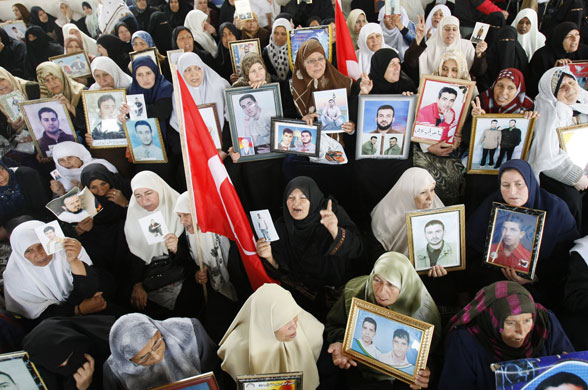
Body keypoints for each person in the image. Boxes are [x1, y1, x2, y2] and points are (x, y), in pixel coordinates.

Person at [467, 160, 578, 306]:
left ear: (530, 183)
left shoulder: (556, 210)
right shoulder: (491, 205)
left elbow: (568, 256)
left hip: (541, 282)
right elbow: (471, 244)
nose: (512, 192)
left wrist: (535, 276)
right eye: (505, 185)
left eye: (519, 184)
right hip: (495, 278)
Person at [326, 252, 439, 388]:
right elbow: (335, 325)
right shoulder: (354, 291)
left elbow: (435, 354)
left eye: (391, 284)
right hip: (357, 370)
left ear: (404, 283)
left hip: (401, 382)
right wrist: (340, 342)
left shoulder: (424, 311)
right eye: (377, 280)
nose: (380, 292)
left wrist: (426, 373)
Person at [255, 177, 363, 320]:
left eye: (303, 197)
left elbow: (358, 249)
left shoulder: (331, 213)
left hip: (338, 297)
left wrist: (334, 230)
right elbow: (282, 274)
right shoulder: (281, 228)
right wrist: (268, 256)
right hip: (302, 299)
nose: (296, 202)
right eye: (291, 197)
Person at [439, 281, 575, 390]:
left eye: (527, 321)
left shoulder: (545, 323)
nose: (521, 331)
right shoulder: (465, 340)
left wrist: (568, 367)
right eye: (510, 323)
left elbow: (571, 368)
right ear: (493, 321)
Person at [124, 171, 201, 317]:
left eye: (148, 193)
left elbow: (196, 257)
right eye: (138, 196)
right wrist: (137, 284)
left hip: (182, 275)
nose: (144, 201)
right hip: (149, 279)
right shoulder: (133, 216)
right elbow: (132, 260)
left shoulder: (182, 210)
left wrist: (178, 248)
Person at [218, 284, 324, 390]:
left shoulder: (310, 330)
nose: (295, 326)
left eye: (293, 315)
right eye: (284, 321)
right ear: (265, 323)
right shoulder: (235, 352)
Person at [3, 220, 109, 321]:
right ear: (19, 253)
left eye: (41, 245)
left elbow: (91, 288)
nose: (39, 255)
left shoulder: (68, 248)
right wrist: (79, 309)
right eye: (28, 251)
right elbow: (34, 319)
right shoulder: (14, 276)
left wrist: (74, 261)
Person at [527, 67, 588, 233]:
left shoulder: (584, 103)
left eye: (571, 82)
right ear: (553, 93)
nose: (569, 89)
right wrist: (577, 176)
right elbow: (546, 159)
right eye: (562, 87)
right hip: (555, 172)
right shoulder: (548, 111)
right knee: (572, 200)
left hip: (582, 167)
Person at [103, 313, 218, 389]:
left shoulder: (190, 331)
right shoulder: (114, 371)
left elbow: (217, 374)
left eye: (156, 344)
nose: (157, 357)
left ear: (159, 330)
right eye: (143, 357)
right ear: (127, 361)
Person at [23, 315, 115, 390]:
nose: (67, 364)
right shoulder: (45, 379)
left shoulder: (115, 344)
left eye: (71, 354)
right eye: (59, 366)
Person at [371, 167, 444, 257]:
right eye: (423, 192)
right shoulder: (384, 217)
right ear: (408, 194)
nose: (430, 198)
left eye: (432, 190)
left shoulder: (439, 208)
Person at [527, 23, 588, 98]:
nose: (575, 39)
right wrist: (553, 71)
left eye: (577, 34)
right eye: (569, 36)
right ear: (560, 39)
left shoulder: (584, 51)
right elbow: (533, 88)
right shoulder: (542, 56)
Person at [0, 161, 49, 242]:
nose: (1, 177)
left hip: (39, 223)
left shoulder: (26, 175)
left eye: (1, 170)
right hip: (10, 236)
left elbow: (42, 208)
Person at [50, 141, 118, 195]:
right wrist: (61, 193)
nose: (67, 162)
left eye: (70, 157)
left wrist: (83, 190)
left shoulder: (101, 165)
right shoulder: (58, 175)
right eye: (61, 160)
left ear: (79, 155)